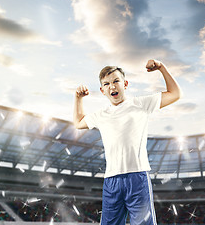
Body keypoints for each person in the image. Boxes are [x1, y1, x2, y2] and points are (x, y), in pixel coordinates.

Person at [73, 59, 181, 224]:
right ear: (102, 90)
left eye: (116, 81)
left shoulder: (140, 104)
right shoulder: (101, 114)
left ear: (125, 84)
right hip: (111, 180)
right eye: (107, 84)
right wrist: (78, 98)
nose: (112, 86)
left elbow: (175, 94)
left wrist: (161, 68)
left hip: (137, 177)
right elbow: (79, 122)